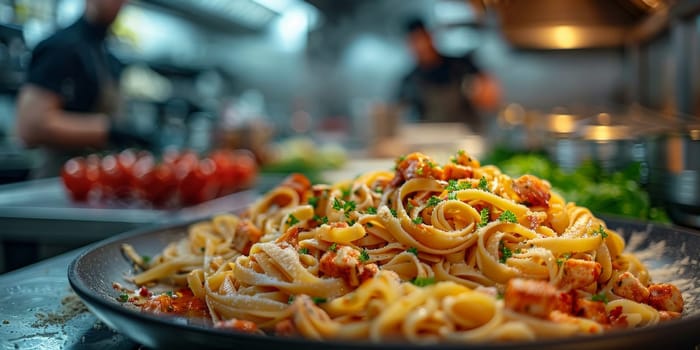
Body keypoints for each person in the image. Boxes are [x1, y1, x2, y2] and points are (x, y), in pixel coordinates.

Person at [15, 0, 150, 178]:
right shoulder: (59, 48)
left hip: (97, 178)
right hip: (58, 180)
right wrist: (108, 131)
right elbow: (30, 127)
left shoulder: (108, 56)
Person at [396, 18, 500, 133]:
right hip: (429, 141)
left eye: (423, 39)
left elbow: (490, 97)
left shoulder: (462, 65)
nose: (421, 46)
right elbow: (398, 112)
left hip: (466, 137)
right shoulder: (409, 80)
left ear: (431, 37)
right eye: (414, 41)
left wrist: (482, 92)